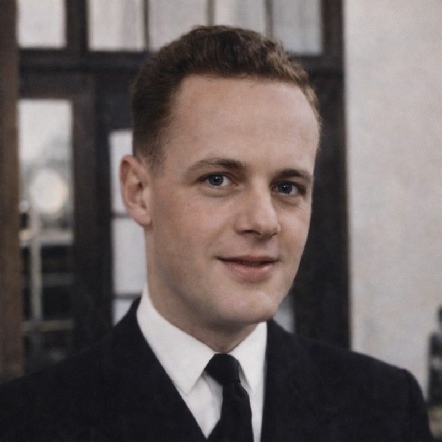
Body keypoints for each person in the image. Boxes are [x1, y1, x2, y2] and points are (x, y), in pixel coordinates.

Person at [0, 26, 433, 441]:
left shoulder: (385, 409)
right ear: (138, 192)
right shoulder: (25, 424)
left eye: (287, 187)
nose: (263, 221)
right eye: (218, 180)